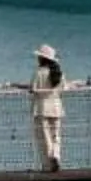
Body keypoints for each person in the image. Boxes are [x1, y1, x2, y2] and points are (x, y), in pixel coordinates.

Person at [30, 43, 66, 172]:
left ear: (42, 58)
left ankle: (48, 164)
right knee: (56, 136)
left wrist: (16, 85)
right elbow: (63, 88)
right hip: (56, 107)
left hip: (42, 108)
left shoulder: (39, 73)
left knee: (45, 137)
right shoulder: (58, 73)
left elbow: (33, 89)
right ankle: (56, 156)